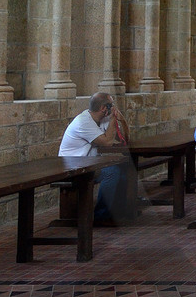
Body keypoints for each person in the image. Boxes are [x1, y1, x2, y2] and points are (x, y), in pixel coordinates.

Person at [57, 92, 139, 225]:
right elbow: (107, 142)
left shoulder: (103, 119)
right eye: (111, 105)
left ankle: (118, 211)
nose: (113, 108)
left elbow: (124, 139)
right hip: (73, 165)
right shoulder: (83, 121)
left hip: (88, 164)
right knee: (112, 173)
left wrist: (122, 120)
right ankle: (101, 216)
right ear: (103, 108)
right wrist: (113, 119)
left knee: (123, 170)